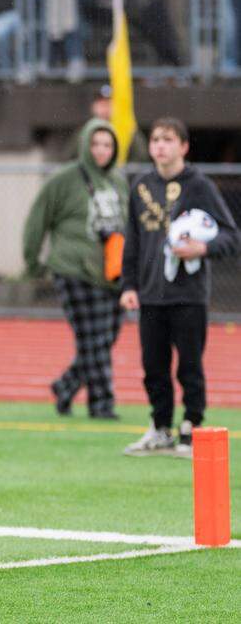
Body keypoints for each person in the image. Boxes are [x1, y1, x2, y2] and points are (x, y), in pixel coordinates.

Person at [121, 118, 240, 456]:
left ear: (184, 147)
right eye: (156, 139)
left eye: (168, 140)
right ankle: (160, 428)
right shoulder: (141, 186)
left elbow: (231, 235)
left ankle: (191, 428)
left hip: (188, 294)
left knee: (189, 365)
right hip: (150, 293)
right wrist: (129, 284)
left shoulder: (199, 186)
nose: (160, 145)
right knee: (153, 366)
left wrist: (202, 248)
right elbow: (133, 240)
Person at [23, 119, 129, 419]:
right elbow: (37, 220)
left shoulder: (119, 182)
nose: (101, 151)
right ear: (85, 145)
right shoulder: (64, 180)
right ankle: (102, 404)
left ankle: (66, 387)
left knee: (105, 337)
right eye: (95, 144)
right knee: (93, 339)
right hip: (73, 268)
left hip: (110, 271)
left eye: (107, 145)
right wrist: (33, 262)